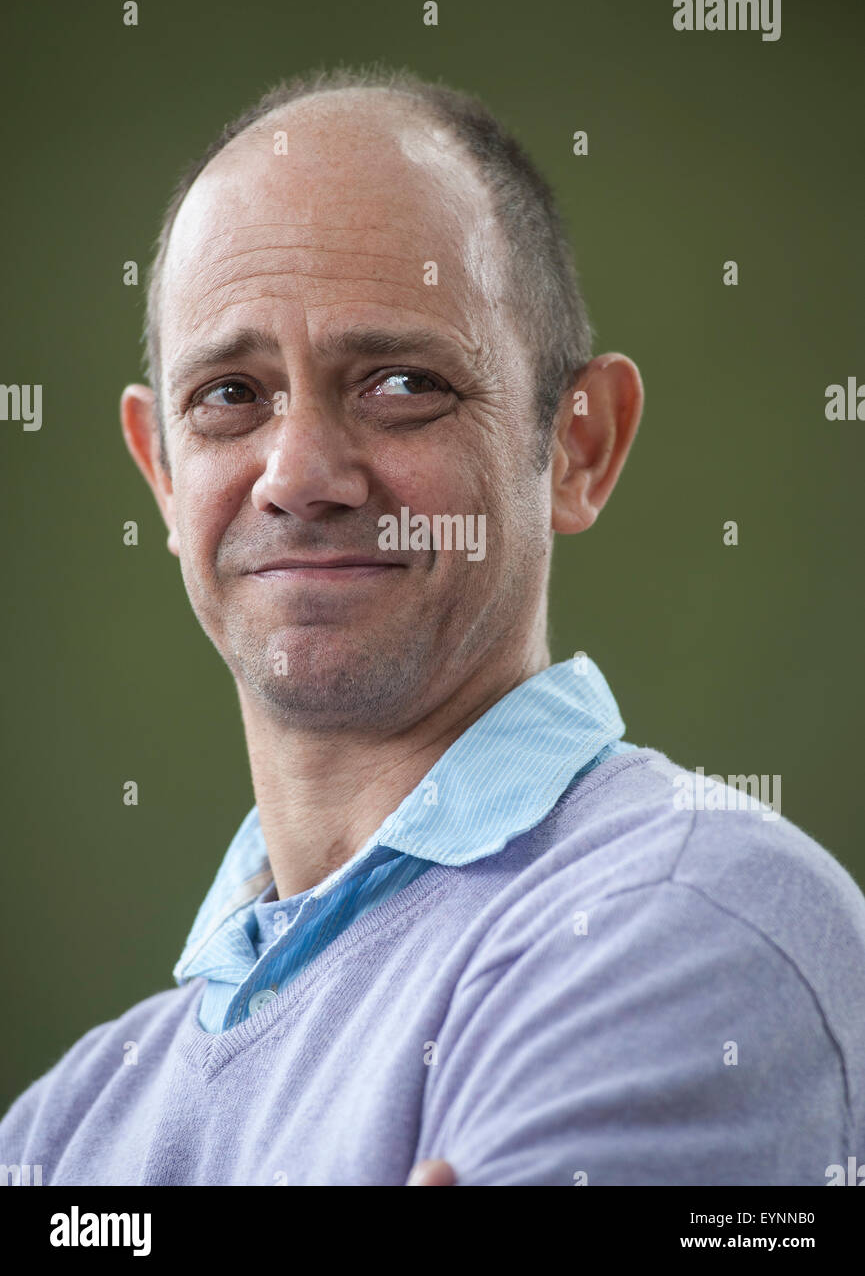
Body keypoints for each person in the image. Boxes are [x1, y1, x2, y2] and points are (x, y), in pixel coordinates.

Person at [2, 63, 864, 1187]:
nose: (299, 475)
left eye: (402, 382)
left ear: (579, 445)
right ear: (161, 471)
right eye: (229, 395)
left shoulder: (687, 927)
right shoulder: (62, 1131)